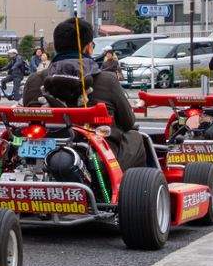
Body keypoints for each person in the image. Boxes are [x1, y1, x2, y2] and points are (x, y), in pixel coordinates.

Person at [22, 16, 146, 168]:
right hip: (96, 159)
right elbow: (128, 122)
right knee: (135, 137)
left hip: (42, 155)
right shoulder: (106, 80)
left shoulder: (34, 80)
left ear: (56, 47)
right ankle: (131, 186)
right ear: (88, 47)